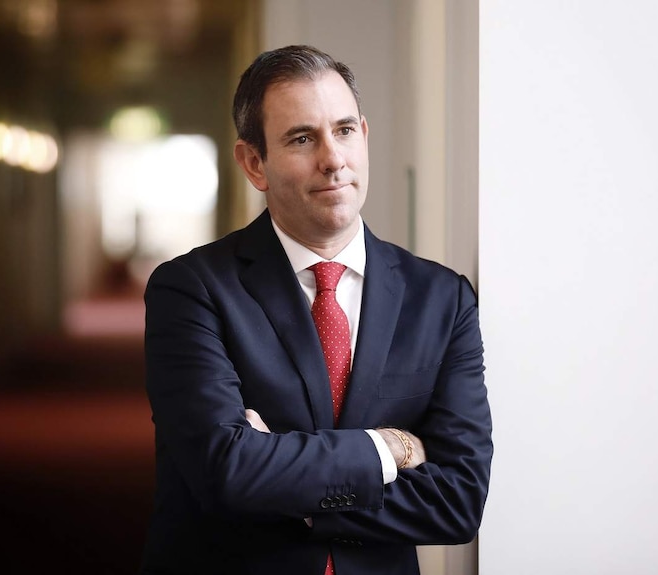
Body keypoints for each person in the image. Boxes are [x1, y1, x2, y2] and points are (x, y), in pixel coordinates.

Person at [140, 44, 493, 575]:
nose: (333, 159)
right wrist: (388, 449)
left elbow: (459, 501)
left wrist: (283, 483)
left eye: (345, 131)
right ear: (254, 163)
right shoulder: (190, 290)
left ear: (365, 137)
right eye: (303, 138)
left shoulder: (443, 299)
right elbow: (226, 472)